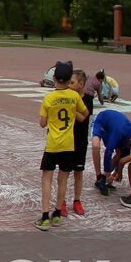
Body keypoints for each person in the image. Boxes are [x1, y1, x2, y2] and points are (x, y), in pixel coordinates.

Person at [35, 61, 87, 230]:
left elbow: (42, 123)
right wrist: (73, 115)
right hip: (68, 145)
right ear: (68, 79)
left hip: (52, 145)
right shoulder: (74, 96)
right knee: (63, 179)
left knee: (46, 180)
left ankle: (44, 216)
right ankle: (57, 213)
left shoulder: (49, 98)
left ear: (55, 78)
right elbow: (84, 114)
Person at [90, 107, 131, 196]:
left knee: (120, 152)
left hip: (114, 125)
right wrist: (108, 174)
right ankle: (99, 177)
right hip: (101, 120)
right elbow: (108, 152)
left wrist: (117, 172)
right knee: (95, 146)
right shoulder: (118, 132)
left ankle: (105, 178)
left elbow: (125, 155)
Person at [65, 68, 90, 216]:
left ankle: (77, 200)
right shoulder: (67, 96)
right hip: (67, 140)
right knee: (64, 173)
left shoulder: (87, 100)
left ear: (80, 84)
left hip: (80, 142)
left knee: (78, 173)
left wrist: (69, 106)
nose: (69, 85)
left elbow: (82, 117)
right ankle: (61, 201)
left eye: (72, 82)